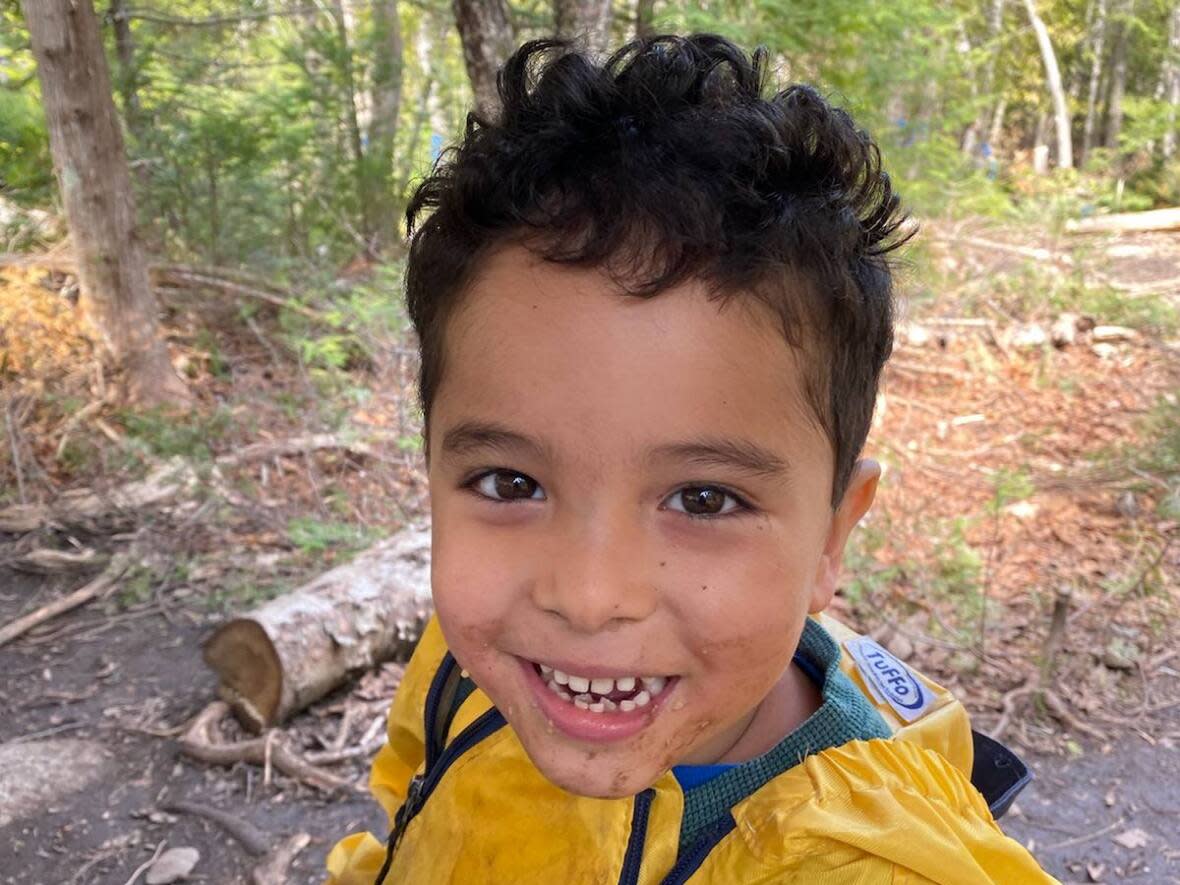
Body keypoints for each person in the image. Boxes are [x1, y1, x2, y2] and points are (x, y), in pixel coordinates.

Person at [327, 34, 1054, 884]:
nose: (588, 599)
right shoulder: (468, 667)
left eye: (704, 499)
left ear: (832, 537)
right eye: (511, 483)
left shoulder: (865, 867)